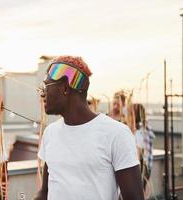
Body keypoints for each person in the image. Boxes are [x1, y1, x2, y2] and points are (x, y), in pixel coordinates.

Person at [34, 55, 144, 200]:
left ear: (65, 87)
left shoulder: (116, 134)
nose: (42, 93)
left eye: (45, 86)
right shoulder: (50, 132)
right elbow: (44, 192)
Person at [133, 103, 155, 190]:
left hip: (142, 167)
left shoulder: (140, 130)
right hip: (146, 167)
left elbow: (139, 151)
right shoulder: (145, 127)